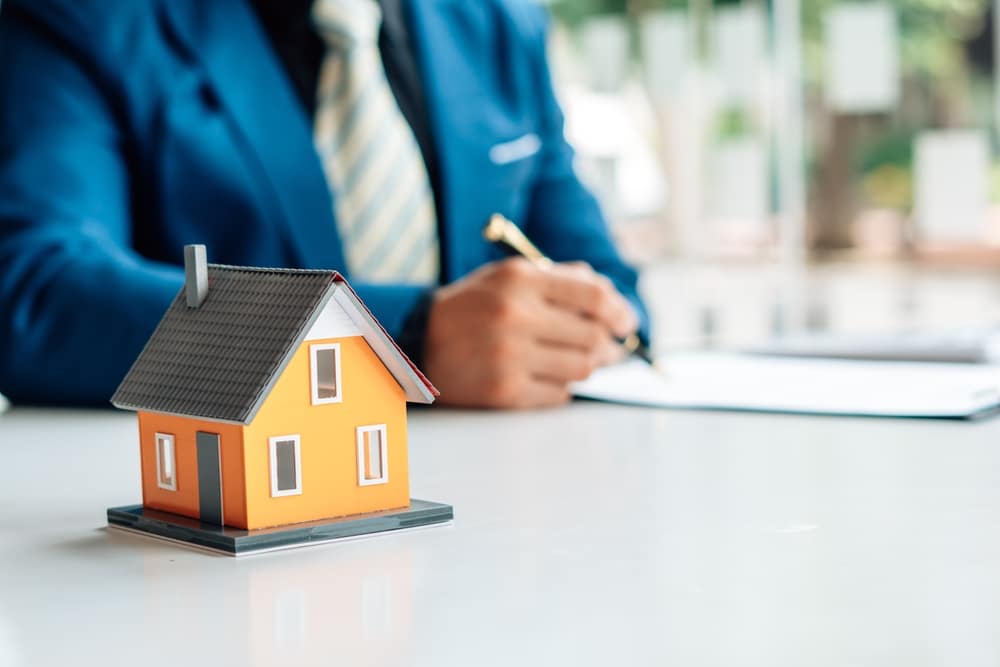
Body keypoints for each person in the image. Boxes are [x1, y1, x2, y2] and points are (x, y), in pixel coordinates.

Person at [0, 0, 648, 409]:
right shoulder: (82, 17)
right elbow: (36, 293)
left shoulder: (499, 23)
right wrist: (404, 338)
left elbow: (605, 285)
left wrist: (589, 324)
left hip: (511, 517)